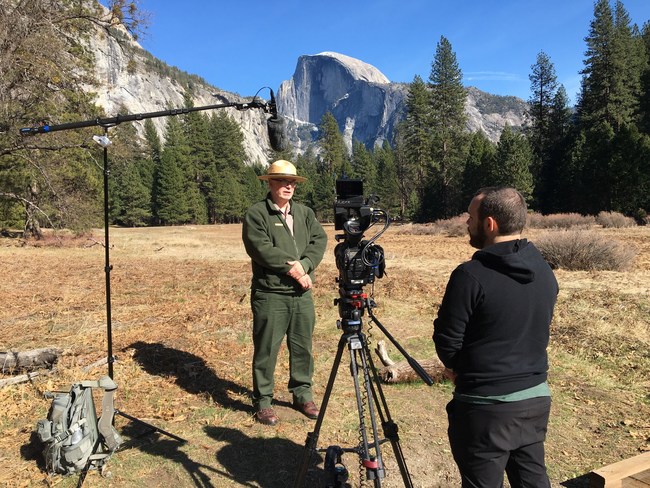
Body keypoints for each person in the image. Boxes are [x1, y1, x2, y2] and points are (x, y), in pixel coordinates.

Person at [433, 187, 559, 488]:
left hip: (484, 409)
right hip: (535, 399)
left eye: (471, 217)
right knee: (533, 480)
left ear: (490, 224)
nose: (466, 222)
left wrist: (465, 370)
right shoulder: (544, 270)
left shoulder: (470, 275)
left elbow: (448, 342)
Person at [242, 160, 328, 426]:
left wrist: (305, 265)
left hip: (301, 295)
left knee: (303, 346)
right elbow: (260, 248)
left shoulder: (304, 213)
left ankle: (302, 394)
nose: (288, 186)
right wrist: (295, 271)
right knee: (267, 349)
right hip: (271, 294)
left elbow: (319, 241)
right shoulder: (257, 214)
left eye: (291, 182)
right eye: (281, 181)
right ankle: (263, 401)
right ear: (269, 183)